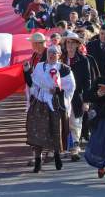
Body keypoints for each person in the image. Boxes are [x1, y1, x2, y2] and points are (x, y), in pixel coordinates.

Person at [25, 45, 76, 173]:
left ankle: (57, 156)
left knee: (55, 130)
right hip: (40, 101)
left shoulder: (64, 69)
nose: (51, 55)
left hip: (55, 103)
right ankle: (38, 160)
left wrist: (58, 90)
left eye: (54, 53)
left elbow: (71, 86)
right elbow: (32, 84)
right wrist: (26, 72)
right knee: (37, 130)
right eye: (49, 53)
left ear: (59, 55)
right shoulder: (39, 67)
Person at [62, 32, 91, 161]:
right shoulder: (60, 58)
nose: (70, 45)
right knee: (62, 122)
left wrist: (86, 101)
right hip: (61, 96)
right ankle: (61, 148)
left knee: (75, 122)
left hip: (76, 96)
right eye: (68, 42)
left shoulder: (83, 60)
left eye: (73, 42)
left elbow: (87, 81)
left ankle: (75, 148)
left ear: (78, 45)